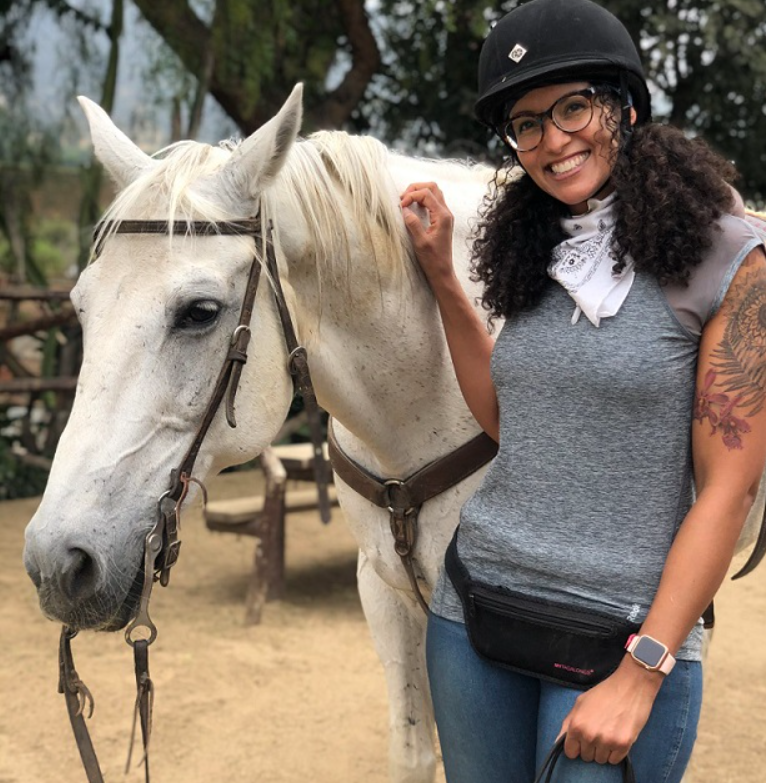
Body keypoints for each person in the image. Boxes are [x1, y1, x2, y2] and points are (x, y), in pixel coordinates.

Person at [399, 0, 766, 781]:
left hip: (623, 638)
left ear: (625, 105)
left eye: (573, 106)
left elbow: (727, 492)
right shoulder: (533, 251)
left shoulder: (732, 260)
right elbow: (509, 420)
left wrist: (643, 670)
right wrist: (442, 278)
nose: (552, 140)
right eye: (525, 123)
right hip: (474, 614)